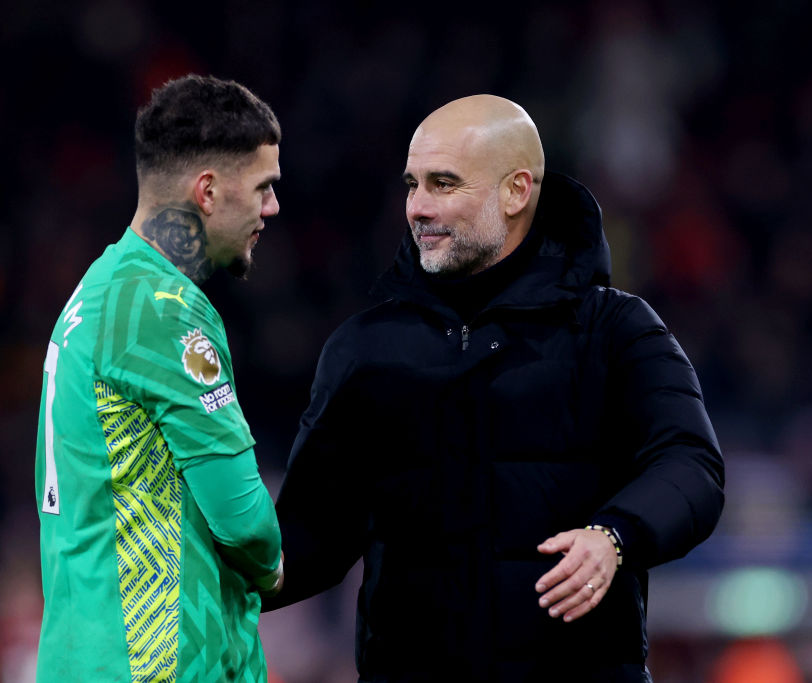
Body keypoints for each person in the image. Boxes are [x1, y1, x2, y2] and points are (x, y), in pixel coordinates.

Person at [263, 95, 725, 682]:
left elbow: (692, 466)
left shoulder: (616, 331)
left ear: (516, 192)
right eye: (412, 185)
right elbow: (312, 537)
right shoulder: (363, 349)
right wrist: (197, 584)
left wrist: (616, 535)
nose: (418, 208)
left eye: (444, 184)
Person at [34, 75, 285, 683]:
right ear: (207, 191)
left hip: (82, 650)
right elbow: (241, 517)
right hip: (154, 663)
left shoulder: (100, 290)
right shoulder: (163, 308)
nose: (272, 207)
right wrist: (273, 564)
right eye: (263, 187)